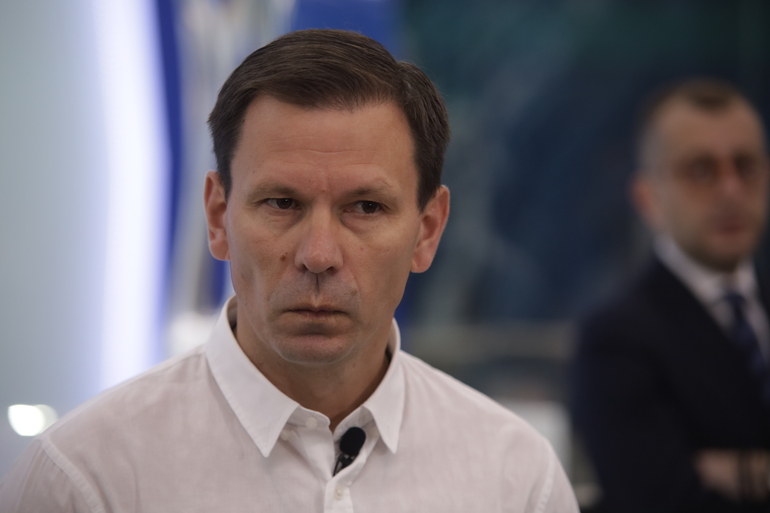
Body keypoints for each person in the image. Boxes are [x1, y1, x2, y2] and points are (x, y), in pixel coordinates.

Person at [0, 29, 577, 512]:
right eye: (281, 203)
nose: (319, 254)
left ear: (427, 230)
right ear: (218, 217)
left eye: (365, 207)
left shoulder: (516, 479)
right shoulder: (86, 478)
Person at [571, 78, 770, 513]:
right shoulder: (614, 338)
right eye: (701, 171)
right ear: (648, 197)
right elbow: (658, 501)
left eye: (746, 166)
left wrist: (734, 472)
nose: (731, 189)